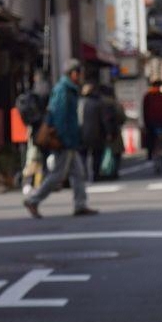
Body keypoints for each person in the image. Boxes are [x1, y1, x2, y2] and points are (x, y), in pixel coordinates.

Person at [24, 59, 98, 219]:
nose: (81, 77)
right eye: (80, 73)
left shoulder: (68, 89)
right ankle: (33, 200)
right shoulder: (64, 90)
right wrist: (64, 139)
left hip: (68, 139)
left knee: (78, 173)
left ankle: (80, 204)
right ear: (73, 73)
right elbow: (60, 117)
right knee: (58, 175)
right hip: (65, 140)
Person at [79, 79, 105, 182]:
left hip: (81, 133)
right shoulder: (98, 103)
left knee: (82, 156)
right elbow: (103, 119)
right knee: (96, 156)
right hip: (96, 133)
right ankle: (96, 174)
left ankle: (83, 174)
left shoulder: (79, 102)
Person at [99, 83, 126, 179]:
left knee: (100, 154)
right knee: (116, 153)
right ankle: (113, 172)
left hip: (99, 133)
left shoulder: (97, 102)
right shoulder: (115, 103)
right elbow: (122, 118)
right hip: (114, 133)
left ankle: (102, 172)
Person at [142, 79, 162, 159]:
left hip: (152, 122)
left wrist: (145, 123)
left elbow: (145, 111)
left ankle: (150, 153)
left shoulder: (148, 96)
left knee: (150, 137)